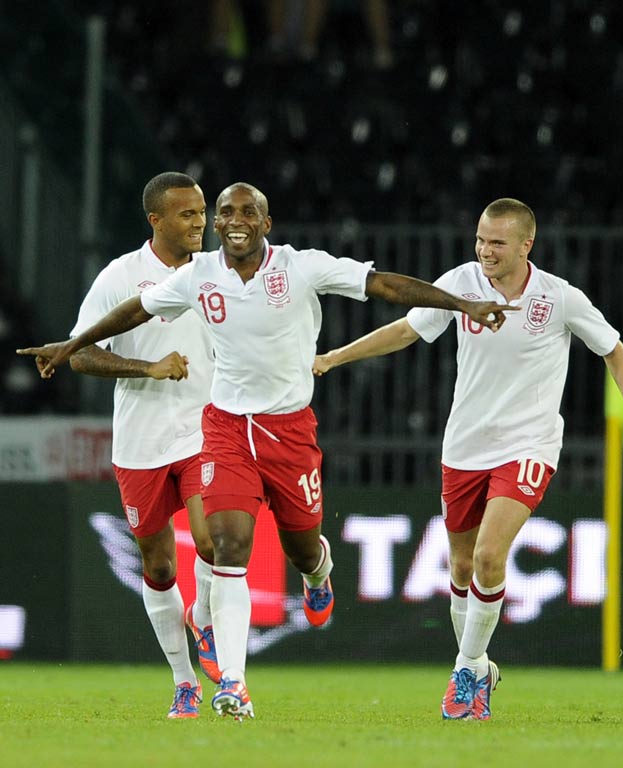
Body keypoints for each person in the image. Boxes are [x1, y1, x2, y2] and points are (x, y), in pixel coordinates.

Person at [19, 182, 516, 721]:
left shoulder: (302, 267)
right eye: (223, 212)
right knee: (226, 544)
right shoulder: (198, 275)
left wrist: (462, 302)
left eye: (245, 211)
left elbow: (384, 285)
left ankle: (317, 572)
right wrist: (71, 346)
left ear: (266, 223)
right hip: (225, 429)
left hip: (289, 433)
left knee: (301, 547)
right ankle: (232, 683)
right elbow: (134, 312)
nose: (232, 219)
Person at [313, 198, 623, 720]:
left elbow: (613, 348)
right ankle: (477, 665)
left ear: (526, 245)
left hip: (529, 445)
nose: (485, 250)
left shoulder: (558, 298)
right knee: (461, 564)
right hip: (464, 447)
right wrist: (335, 357)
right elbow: (408, 329)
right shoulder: (460, 283)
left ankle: (464, 672)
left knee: (490, 556)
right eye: (480, 239)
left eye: (497, 242)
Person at [59, 172, 219, 718]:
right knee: (158, 567)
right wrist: (146, 367)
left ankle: (206, 619)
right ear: (155, 219)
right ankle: (183, 682)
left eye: (202, 213)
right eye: (188, 214)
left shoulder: (217, 272)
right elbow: (80, 353)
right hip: (141, 440)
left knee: (213, 538)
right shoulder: (120, 276)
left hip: (205, 429)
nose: (201, 223)